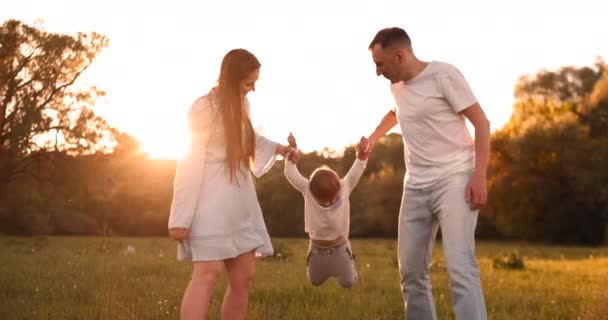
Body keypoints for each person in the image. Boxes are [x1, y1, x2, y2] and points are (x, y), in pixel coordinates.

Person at [366, 27, 490, 320]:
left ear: (400, 55)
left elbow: (482, 124)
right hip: (415, 186)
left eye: (380, 64)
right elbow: (397, 112)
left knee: (460, 267)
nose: (377, 72)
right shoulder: (396, 84)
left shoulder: (444, 75)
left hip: (454, 179)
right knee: (410, 273)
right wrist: (373, 138)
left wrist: (479, 175)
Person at [167, 48, 291, 320]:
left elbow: (248, 139)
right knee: (208, 274)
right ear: (231, 78)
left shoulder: (243, 104)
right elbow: (190, 160)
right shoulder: (203, 108)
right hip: (209, 202)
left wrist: (281, 149)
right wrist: (180, 216)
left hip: (238, 202)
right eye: (249, 82)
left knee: (244, 275)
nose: (254, 88)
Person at [283, 133, 370, 288]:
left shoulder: (345, 186)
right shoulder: (307, 189)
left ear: (338, 189)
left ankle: (350, 268)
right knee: (315, 282)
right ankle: (320, 270)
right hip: (317, 249)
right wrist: (292, 156)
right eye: (322, 201)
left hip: (340, 249)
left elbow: (357, 170)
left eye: (332, 199)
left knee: (348, 282)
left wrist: (362, 155)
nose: (328, 204)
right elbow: (292, 175)